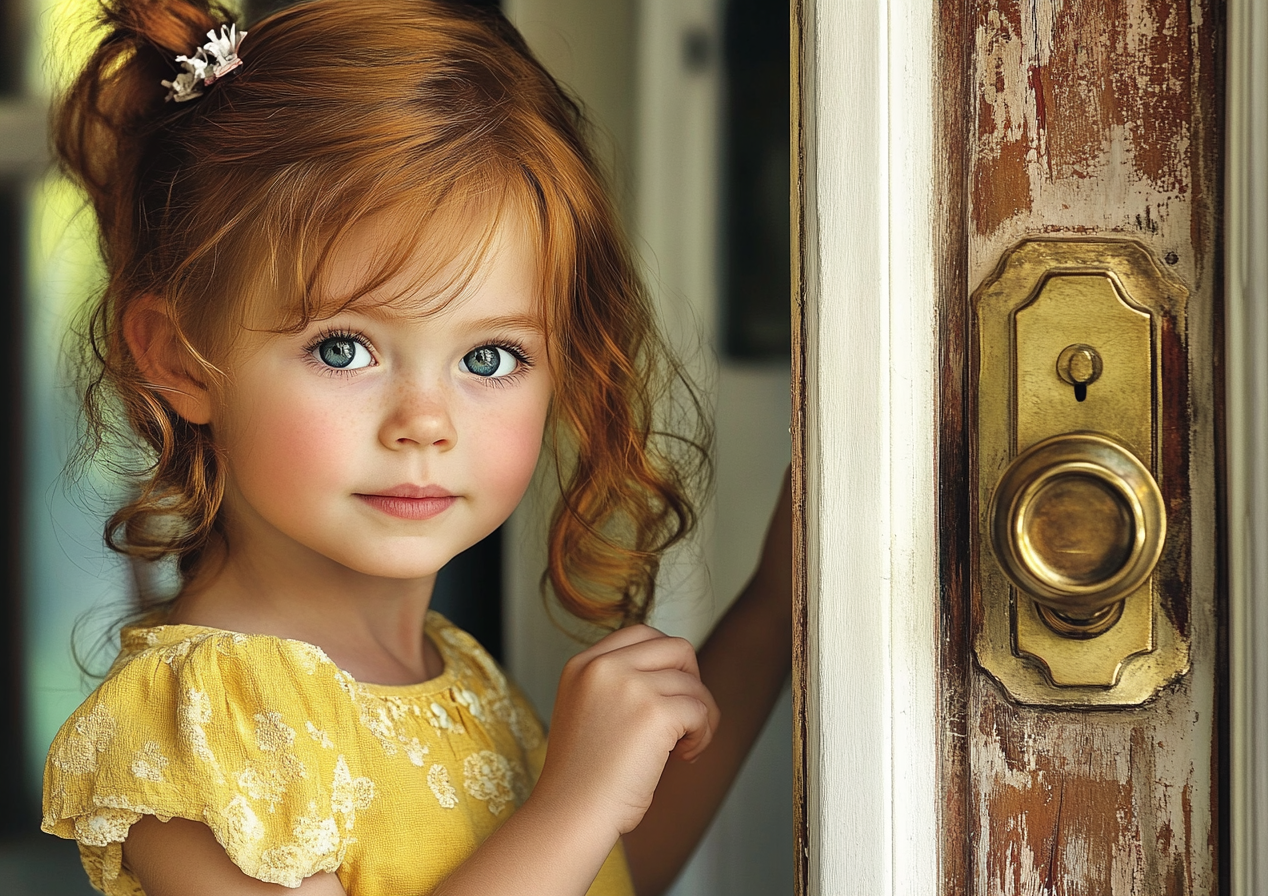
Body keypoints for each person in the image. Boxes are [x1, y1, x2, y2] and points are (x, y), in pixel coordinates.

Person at [38, 1, 793, 895]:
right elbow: (573, 842)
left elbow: (603, 878)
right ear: (181, 359)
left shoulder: (451, 670)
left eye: (489, 357)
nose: (425, 422)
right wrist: (574, 806)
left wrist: (774, 612)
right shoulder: (196, 725)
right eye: (343, 348)